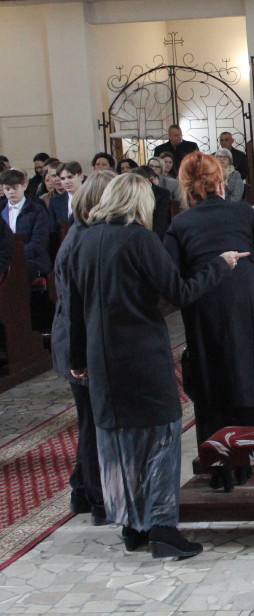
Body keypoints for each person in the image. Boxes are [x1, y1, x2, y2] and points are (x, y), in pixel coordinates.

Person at [68, 173, 244, 559]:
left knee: (120, 442)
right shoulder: (140, 239)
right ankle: (163, 528)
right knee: (161, 438)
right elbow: (179, 291)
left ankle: (133, 526)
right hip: (141, 358)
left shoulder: (84, 241)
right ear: (140, 202)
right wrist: (219, 265)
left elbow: (75, 308)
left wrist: (77, 359)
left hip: (102, 361)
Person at [165, 153, 254, 491]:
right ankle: (247, 461)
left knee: (211, 379)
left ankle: (219, 469)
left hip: (204, 304)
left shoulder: (180, 224)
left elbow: (172, 278)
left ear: (185, 187)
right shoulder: (242, 213)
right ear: (220, 180)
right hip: (245, 302)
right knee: (247, 373)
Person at [51, 171, 115, 527]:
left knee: (90, 417)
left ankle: (80, 489)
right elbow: (77, 305)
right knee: (94, 421)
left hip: (76, 339)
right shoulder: (83, 239)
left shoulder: (82, 233)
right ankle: (98, 498)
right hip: (78, 342)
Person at [0, 169, 51, 280]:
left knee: (17, 272)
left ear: (24, 186)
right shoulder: (1, 209)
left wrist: (15, 255)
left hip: (32, 259)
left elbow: (38, 243)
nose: (11, 192)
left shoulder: (37, 210)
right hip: (5, 259)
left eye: (15, 188)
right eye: (7, 189)